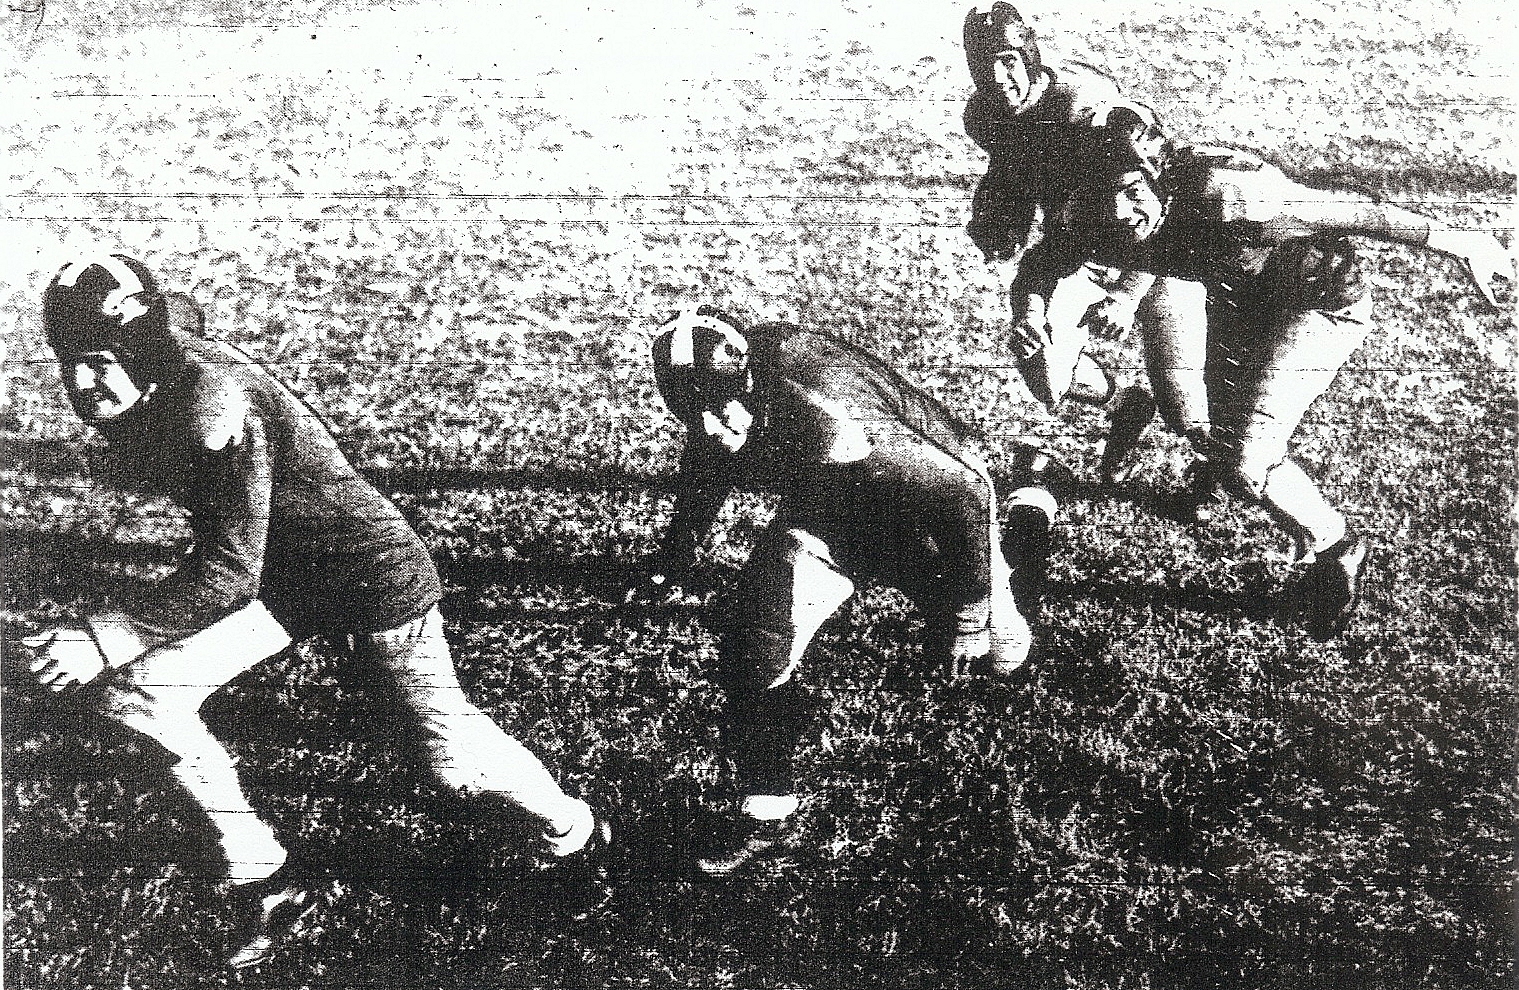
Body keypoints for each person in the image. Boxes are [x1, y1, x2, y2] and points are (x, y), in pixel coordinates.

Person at [23, 254, 612, 968]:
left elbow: (230, 570)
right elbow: (180, 310)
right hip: (285, 571)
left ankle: (575, 834)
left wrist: (107, 632)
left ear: (143, 352)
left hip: (365, 575)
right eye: (70, 363)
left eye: (98, 363)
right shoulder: (161, 355)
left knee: (451, 763)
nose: (81, 385)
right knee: (141, 697)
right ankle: (265, 876)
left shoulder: (214, 408)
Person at [1005, 135, 1513, 637]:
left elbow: (1350, 212)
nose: (1119, 212)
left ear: (1160, 179)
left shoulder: (1231, 198)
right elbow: (1040, 263)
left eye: (1133, 190)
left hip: (1316, 303)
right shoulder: (1100, 211)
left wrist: (1458, 240)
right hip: (1238, 301)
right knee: (1214, 436)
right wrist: (1028, 315)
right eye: (1104, 197)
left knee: (1249, 461)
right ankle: (1217, 477)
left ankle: (1336, 545)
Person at [635, 307, 1061, 876]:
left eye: (720, 407)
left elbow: (957, 491)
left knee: (1003, 652)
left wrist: (969, 611)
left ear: (749, 382)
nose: (712, 426)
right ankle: (768, 815)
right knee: (752, 641)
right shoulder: (731, 388)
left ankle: (1031, 505)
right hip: (828, 510)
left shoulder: (830, 422)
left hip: (930, 504)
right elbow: (708, 459)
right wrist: (676, 555)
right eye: (695, 414)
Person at [961, 1, 1167, 480]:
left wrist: (1128, 294)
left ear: (1030, 57)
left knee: (1189, 407)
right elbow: (1012, 171)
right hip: (1081, 250)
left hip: (1162, 252)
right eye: (983, 67)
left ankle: (1210, 474)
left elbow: (1166, 204)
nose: (997, 78)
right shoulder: (987, 117)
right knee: (1042, 369)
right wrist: (998, 219)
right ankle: (1125, 400)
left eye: (1008, 61)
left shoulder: (1085, 104)